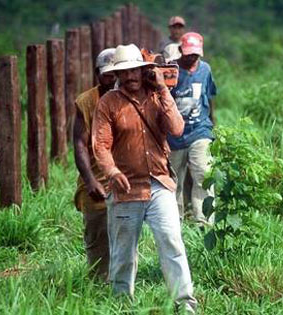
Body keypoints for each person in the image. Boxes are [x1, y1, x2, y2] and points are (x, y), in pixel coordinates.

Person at [91, 44, 197, 313]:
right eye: (123, 72)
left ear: (143, 69)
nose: (129, 77)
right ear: (117, 74)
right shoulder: (108, 103)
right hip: (126, 188)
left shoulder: (157, 95)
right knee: (123, 253)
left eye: (133, 71)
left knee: (172, 241)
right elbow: (100, 145)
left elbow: (177, 128)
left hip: (159, 183)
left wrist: (163, 89)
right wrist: (112, 172)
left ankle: (185, 304)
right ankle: (121, 304)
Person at [73, 48, 117, 281]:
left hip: (125, 178)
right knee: (98, 236)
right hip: (97, 180)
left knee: (124, 237)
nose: (111, 79)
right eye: (106, 74)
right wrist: (89, 180)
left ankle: (122, 286)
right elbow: (79, 144)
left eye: (115, 74)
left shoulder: (130, 96)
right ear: (97, 74)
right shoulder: (87, 102)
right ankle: (98, 285)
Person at [168, 32, 217, 224]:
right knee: (173, 183)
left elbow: (210, 97)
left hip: (200, 131)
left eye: (195, 55)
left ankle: (204, 223)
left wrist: (212, 127)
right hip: (174, 136)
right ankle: (174, 223)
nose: (192, 58)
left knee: (204, 175)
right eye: (188, 54)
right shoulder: (171, 72)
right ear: (181, 51)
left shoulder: (205, 69)